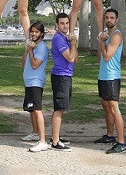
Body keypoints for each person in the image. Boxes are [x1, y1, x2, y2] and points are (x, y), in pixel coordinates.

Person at [94, 8, 126, 154]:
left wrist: (102, 41)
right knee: (106, 107)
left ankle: (121, 143)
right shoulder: (106, 36)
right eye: (107, 18)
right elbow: (99, 57)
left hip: (112, 77)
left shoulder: (116, 35)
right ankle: (109, 135)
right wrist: (101, 41)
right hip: (103, 76)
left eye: (112, 18)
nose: (109, 20)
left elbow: (107, 56)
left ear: (117, 20)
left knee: (114, 109)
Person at [50, 12, 78, 151]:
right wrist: (73, 44)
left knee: (61, 108)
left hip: (66, 75)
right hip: (61, 76)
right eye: (62, 23)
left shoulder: (66, 38)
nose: (65, 26)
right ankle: (55, 142)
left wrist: (73, 43)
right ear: (57, 24)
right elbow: (71, 58)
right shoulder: (59, 39)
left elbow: (75, 58)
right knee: (59, 109)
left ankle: (56, 136)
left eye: (67, 23)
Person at [20, 21, 50, 152]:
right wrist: (27, 50)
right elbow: (23, 63)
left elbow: (34, 65)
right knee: (31, 109)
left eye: (36, 32)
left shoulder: (41, 47)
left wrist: (31, 51)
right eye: (32, 31)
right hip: (29, 82)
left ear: (41, 34)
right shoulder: (32, 46)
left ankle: (42, 141)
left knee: (37, 110)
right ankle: (35, 132)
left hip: (36, 82)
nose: (33, 34)